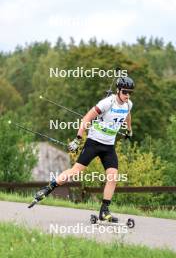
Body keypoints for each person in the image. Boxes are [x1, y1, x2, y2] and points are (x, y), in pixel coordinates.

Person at [33, 76, 134, 221]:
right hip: (94, 142)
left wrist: (129, 130)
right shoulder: (107, 103)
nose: (127, 95)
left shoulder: (128, 104)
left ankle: (104, 211)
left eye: (130, 93)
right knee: (76, 171)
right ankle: (49, 187)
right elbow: (86, 119)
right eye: (125, 92)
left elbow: (128, 115)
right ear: (118, 90)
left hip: (108, 146)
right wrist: (78, 139)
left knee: (113, 177)